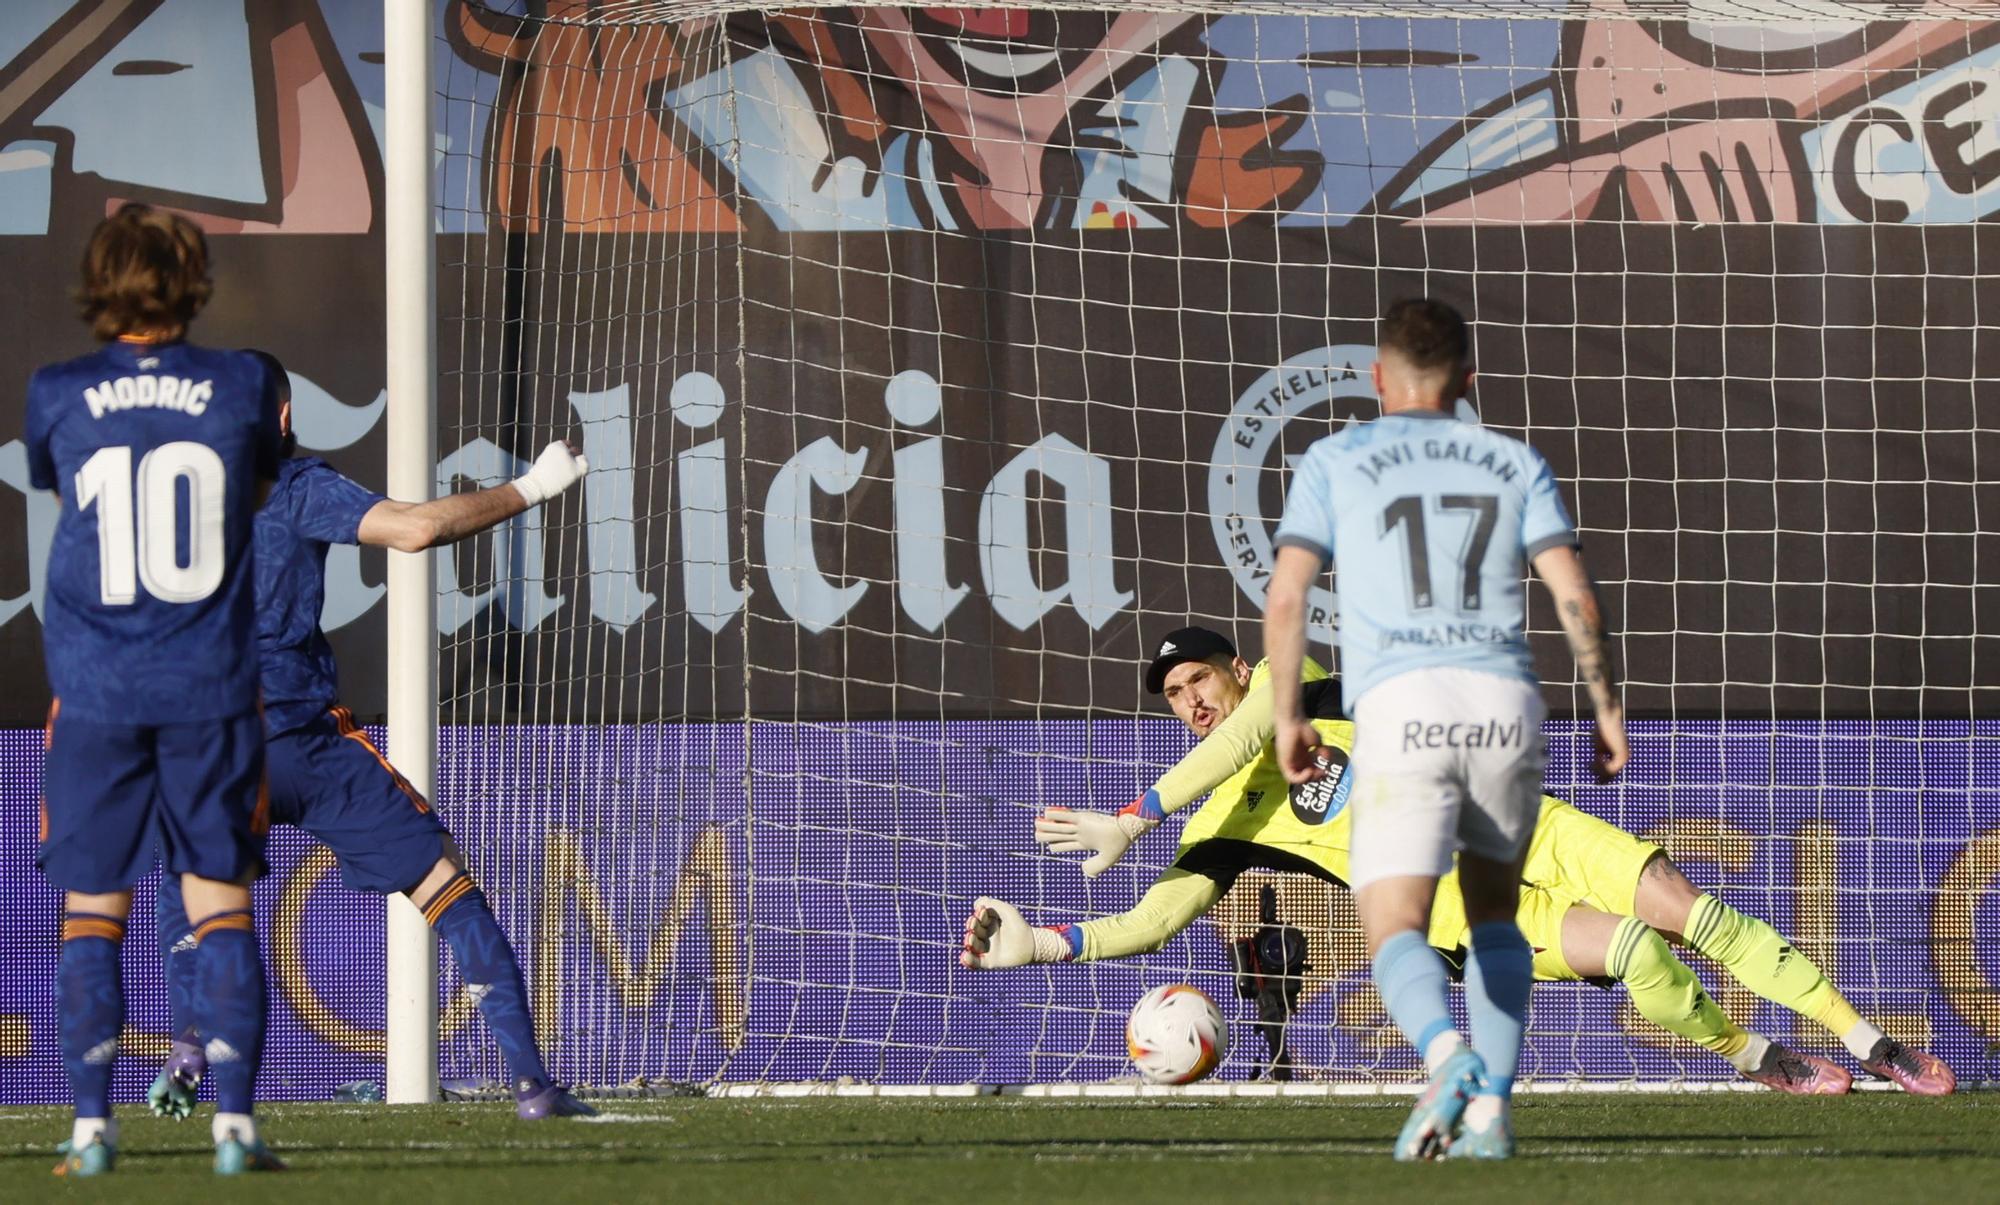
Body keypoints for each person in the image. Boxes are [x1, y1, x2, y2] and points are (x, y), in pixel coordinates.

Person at [961, 627, 1955, 1101]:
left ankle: (1869, 1041)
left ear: (1233, 668)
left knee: (1685, 904)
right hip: (1451, 907)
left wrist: (1135, 810)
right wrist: (1045, 942)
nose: (1190, 701)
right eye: (1172, 694)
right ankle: (1755, 1056)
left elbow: (1255, 724)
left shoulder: (1285, 679)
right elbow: (1159, 918)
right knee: (1637, 958)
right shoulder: (1220, 812)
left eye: (1197, 679)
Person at [145, 351, 596, 1122]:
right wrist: (534, 486)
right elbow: (416, 530)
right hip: (306, 746)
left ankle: (190, 1045)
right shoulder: (296, 488)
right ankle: (532, 1087)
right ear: (283, 417)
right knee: (450, 893)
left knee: (192, 899)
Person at [1264, 297, 1625, 1160]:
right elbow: (1570, 587)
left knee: (1396, 920)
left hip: (1404, 702)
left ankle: (1447, 1056)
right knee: (1496, 916)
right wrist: (1606, 700)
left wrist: (1285, 715)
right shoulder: (1510, 458)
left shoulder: (1335, 457)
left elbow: (1285, 596)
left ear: (1379, 380)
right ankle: (1491, 1115)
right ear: (1470, 381)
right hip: (1504, 701)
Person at [25, 203, 285, 1176]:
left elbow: (68, 498)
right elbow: (248, 493)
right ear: (192, 279)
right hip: (207, 684)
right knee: (220, 903)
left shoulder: (54, 391)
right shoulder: (242, 383)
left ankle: (92, 1128)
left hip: (96, 685)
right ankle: (233, 1126)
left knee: (94, 908)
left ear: (98, 281)